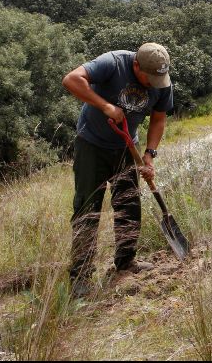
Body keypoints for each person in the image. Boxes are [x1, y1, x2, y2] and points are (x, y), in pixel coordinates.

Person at [62, 42, 174, 297]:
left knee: (129, 206)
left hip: (126, 146)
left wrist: (149, 155)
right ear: (136, 65)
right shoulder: (112, 62)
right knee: (87, 209)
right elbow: (71, 80)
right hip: (92, 144)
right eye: (150, 78)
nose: (155, 84)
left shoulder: (161, 80)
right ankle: (80, 276)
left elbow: (159, 118)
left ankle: (125, 261)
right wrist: (106, 106)